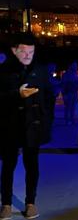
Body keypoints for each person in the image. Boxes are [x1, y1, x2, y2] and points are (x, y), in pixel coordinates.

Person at [0, 33, 54, 220]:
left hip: (33, 126)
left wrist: (46, 121)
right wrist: (17, 94)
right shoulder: (3, 71)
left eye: (31, 52)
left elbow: (49, 97)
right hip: (10, 126)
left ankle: (30, 202)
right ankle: (6, 204)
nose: (27, 55)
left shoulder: (40, 70)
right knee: (8, 166)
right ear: (14, 50)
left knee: (32, 166)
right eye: (23, 52)